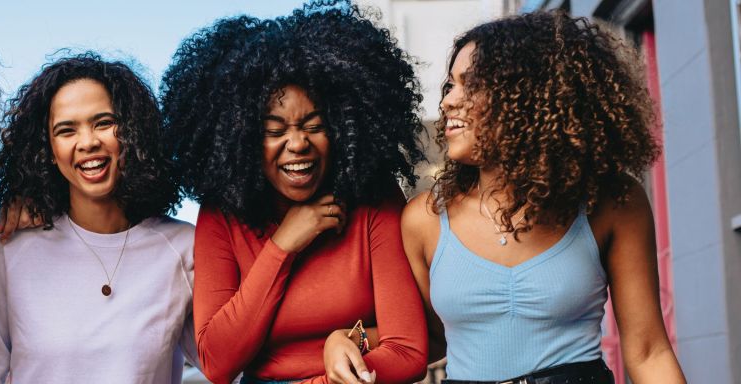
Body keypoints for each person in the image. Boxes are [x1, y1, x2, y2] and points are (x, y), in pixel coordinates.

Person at [373, 11, 684, 384]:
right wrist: (350, 338)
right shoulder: (424, 219)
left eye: (467, 85)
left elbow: (649, 351)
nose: (447, 102)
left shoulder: (612, 203)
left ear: (528, 95)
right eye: (448, 86)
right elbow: (427, 342)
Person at [161, 2, 428, 383]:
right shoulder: (223, 215)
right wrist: (283, 246)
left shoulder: (373, 200)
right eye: (274, 131)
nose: (297, 143)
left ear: (341, 127)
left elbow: (409, 351)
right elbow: (217, 363)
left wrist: (348, 342)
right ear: (243, 139)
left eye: (314, 125)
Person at [0, 53, 197, 383]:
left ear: (132, 131)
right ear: (47, 150)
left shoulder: (183, 247)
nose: (88, 142)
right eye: (66, 130)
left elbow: (224, 363)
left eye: (103, 123)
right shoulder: (8, 251)